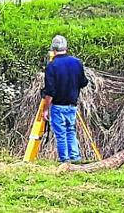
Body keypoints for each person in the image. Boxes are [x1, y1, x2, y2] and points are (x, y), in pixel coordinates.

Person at [42, 35, 88, 163]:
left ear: (53, 49)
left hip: (57, 106)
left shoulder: (52, 66)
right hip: (72, 105)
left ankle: (65, 160)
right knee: (71, 132)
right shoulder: (77, 62)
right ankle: (75, 158)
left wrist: (45, 109)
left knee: (61, 135)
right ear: (66, 47)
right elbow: (83, 82)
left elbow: (50, 92)